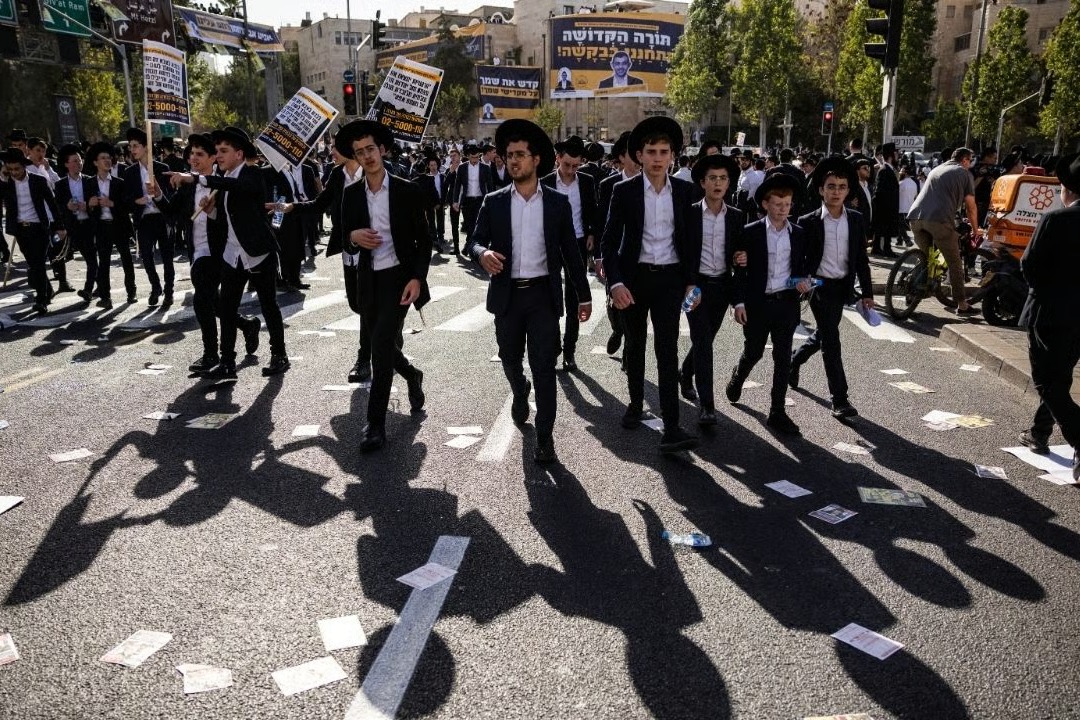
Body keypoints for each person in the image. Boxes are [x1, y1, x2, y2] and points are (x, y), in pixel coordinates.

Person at [467, 119, 591, 464]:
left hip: (542, 298)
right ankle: (519, 391)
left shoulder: (556, 203)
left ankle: (545, 437)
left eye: (520, 155)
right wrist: (483, 253)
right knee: (509, 358)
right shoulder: (493, 202)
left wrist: (583, 295)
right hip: (507, 296)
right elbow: (472, 242)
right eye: (509, 156)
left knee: (544, 368)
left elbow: (571, 253)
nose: (513, 161)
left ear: (536, 159)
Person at [601, 116, 699, 454]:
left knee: (667, 349)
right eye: (651, 152)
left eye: (664, 152)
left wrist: (691, 284)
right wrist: (615, 283)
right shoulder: (624, 191)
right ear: (639, 155)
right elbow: (609, 242)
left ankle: (671, 425)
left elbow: (691, 242)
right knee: (636, 345)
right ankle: (635, 402)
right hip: (634, 279)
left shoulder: (685, 191)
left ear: (672, 156)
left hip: (670, 280)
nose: (658, 158)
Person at [169, 126, 290, 378]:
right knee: (226, 307)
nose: (219, 155)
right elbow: (222, 219)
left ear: (239, 153)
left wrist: (195, 178)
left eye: (223, 151)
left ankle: (279, 354)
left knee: (268, 304)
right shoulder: (222, 183)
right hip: (232, 254)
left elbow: (239, 187)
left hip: (257, 251)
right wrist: (210, 209)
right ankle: (227, 362)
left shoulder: (251, 174)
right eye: (217, 151)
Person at [340, 120, 430, 452]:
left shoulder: (407, 190)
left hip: (399, 280)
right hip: (369, 280)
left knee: (379, 347)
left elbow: (425, 240)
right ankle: (412, 375)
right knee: (384, 346)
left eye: (371, 149)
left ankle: (375, 425)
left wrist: (416, 278)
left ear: (383, 150)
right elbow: (341, 237)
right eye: (360, 152)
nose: (366, 156)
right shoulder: (351, 195)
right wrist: (353, 237)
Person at [725, 172, 813, 436]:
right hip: (757, 303)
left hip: (785, 304)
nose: (782, 210)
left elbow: (805, 266)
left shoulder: (798, 233)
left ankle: (777, 411)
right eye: (777, 204)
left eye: (787, 205)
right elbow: (738, 270)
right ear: (765, 204)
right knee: (754, 351)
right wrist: (738, 302)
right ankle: (739, 374)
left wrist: (805, 281)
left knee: (782, 357)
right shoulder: (750, 232)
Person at [788, 157, 874, 419]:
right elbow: (797, 258)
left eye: (841, 186)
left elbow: (861, 258)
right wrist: (799, 280)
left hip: (843, 287)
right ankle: (840, 399)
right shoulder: (808, 221)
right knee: (832, 340)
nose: (836, 191)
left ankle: (795, 360)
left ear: (848, 191)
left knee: (826, 334)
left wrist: (868, 293)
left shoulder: (856, 220)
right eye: (831, 186)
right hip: (819, 287)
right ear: (821, 190)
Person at [287, 122, 372, 383]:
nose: (331, 152)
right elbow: (320, 203)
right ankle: (387, 338)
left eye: (335, 147)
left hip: (373, 247)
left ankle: (364, 358)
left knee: (368, 305)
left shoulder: (373, 171)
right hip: (347, 247)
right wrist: (291, 207)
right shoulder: (336, 175)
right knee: (356, 304)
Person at [1018, 152, 1080, 481]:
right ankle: (1039, 431)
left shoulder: (1058, 218)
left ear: (1068, 189)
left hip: (1049, 314)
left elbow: (1029, 265)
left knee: (1046, 381)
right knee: (1061, 376)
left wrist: (1046, 294)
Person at [679, 153, 745, 425]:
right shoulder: (690, 213)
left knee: (706, 339)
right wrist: (687, 284)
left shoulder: (738, 216)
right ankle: (707, 405)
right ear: (703, 183)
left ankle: (685, 371)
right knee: (703, 342)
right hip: (694, 286)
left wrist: (743, 257)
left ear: (729, 184)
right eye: (712, 179)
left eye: (723, 179)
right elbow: (681, 252)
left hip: (721, 286)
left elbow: (741, 256)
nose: (718, 184)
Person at [540, 134, 598, 372]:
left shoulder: (585, 181)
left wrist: (592, 233)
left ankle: (569, 351)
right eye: (567, 165)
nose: (571, 171)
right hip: (552, 246)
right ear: (557, 159)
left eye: (576, 166)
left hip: (578, 243)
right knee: (552, 297)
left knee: (575, 298)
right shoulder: (544, 182)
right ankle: (553, 347)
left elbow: (591, 210)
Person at [906, 147, 981, 316]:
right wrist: (976, 230)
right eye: (970, 160)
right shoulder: (963, 173)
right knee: (954, 262)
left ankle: (912, 290)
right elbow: (971, 206)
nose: (970, 164)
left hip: (915, 217)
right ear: (964, 160)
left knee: (926, 258)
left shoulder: (937, 168)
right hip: (938, 221)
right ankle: (962, 305)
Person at [1, 148, 62, 314]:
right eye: (10, 169)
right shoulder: (6, 183)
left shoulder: (38, 181)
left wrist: (59, 226)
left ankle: (41, 299)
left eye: (17, 169)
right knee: (34, 264)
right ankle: (47, 289)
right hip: (20, 229)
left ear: (24, 166)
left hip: (39, 228)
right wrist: (3, 178)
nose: (14, 172)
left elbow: (52, 204)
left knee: (38, 263)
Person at [596, 131, 638, 359]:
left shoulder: (649, 184)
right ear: (622, 157)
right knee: (613, 302)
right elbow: (602, 220)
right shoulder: (608, 184)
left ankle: (630, 356)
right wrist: (599, 256)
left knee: (635, 305)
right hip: (613, 252)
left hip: (637, 256)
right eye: (632, 154)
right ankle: (617, 330)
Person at [123, 127, 174, 306]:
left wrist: (159, 194)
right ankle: (156, 287)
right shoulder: (129, 172)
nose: (133, 149)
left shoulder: (162, 168)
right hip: (144, 219)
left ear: (146, 147)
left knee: (168, 257)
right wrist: (137, 201)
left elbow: (171, 196)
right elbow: (126, 199)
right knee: (146, 256)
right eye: (131, 146)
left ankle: (169, 290)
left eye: (136, 145)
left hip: (162, 217)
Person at [84, 142, 136, 308]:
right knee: (104, 263)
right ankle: (105, 297)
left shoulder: (119, 182)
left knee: (126, 260)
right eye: (102, 158)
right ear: (95, 162)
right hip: (101, 227)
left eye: (108, 158)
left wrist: (112, 203)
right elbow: (86, 207)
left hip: (119, 225)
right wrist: (90, 204)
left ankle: (131, 292)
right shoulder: (89, 183)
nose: (107, 161)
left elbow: (128, 205)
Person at [53, 143, 101, 303]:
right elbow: (57, 206)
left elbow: (97, 200)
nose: (78, 164)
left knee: (92, 258)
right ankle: (100, 285)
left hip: (90, 223)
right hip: (74, 226)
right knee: (89, 257)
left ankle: (88, 289)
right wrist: (67, 206)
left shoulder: (90, 181)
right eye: (74, 161)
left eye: (79, 160)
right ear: (66, 164)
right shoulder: (60, 185)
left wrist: (87, 205)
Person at [451, 144, 493, 251]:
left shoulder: (485, 168)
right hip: (467, 201)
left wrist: (492, 201)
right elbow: (457, 185)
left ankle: (469, 246)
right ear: (468, 156)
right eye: (472, 157)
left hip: (480, 200)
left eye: (477, 157)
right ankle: (470, 245)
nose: (475, 159)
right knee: (469, 224)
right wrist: (455, 201)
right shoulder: (462, 168)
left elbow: (490, 186)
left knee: (476, 224)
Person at [870, 142, 900, 258]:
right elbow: (879, 191)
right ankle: (883, 248)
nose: (898, 155)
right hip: (885, 207)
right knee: (883, 229)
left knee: (885, 229)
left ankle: (880, 248)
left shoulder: (890, 169)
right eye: (896, 152)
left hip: (889, 206)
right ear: (891, 155)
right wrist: (884, 207)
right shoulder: (884, 170)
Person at [444, 147, 463, 255]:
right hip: (453, 200)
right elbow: (446, 184)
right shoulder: (449, 169)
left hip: (465, 198)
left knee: (470, 224)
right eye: (451, 156)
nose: (452, 158)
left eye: (454, 155)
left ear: (459, 156)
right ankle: (456, 248)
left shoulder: (465, 167)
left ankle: (469, 246)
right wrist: (451, 171)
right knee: (454, 225)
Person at [896, 165, 918, 248]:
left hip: (901, 207)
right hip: (910, 208)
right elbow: (915, 196)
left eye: (901, 171)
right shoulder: (914, 184)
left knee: (900, 225)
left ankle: (907, 240)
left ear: (905, 173)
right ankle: (899, 240)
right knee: (901, 226)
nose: (900, 172)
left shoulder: (901, 183)